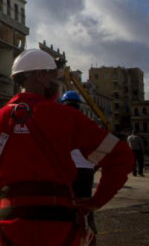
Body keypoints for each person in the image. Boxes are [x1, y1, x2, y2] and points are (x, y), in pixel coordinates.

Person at [0, 49, 134, 246]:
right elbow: (121, 157)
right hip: (61, 227)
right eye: (54, 76)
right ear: (40, 76)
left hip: (10, 228)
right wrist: (97, 200)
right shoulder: (66, 117)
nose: (56, 83)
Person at [60, 90, 97, 245]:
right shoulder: (89, 123)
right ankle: (90, 237)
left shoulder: (59, 123)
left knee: (66, 208)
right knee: (85, 207)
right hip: (87, 171)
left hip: (68, 170)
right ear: (79, 106)